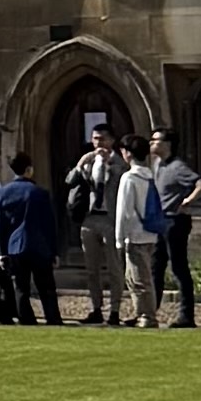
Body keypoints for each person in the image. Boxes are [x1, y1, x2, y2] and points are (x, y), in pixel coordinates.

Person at [64, 122, 126, 327]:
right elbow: (69, 180)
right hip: (90, 219)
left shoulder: (119, 163)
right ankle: (96, 308)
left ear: (111, 140)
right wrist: (81, 162)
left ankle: (115, 310)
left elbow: (122, 182)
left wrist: (110, 164)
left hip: (110, 219)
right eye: (94, 139)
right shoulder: (88, 162)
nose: (97, 143)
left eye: (101, 139)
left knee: (114, 268)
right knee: (92, 269)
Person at [0, 150, 63, 325]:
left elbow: (1, 225)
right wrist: (54, 251)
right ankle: (53, 318)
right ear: (29, 169)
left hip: (14, 246)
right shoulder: (39, 192)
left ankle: (26, 319)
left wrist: (2, 251)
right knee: (46, 287)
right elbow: (49, 224)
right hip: (39, 245)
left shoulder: (3, 193)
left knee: (21, 287)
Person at [154, 130, 201, 329]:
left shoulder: (178, 167)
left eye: (156, 140)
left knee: (178, 268)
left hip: (175, 221)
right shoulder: (158, 165)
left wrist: (188, 200)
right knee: (155, 268)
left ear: (167, 144)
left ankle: (186, 315)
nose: (152, 143)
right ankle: (150, 313)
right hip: (160, 222)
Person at [115, 146, 169, 329]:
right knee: (138, 277)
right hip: (150, 232)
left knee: (139, 279)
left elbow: (124, 211)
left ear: (128, 153)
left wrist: (119, 238)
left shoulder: (129, 177)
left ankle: (147, 316)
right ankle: (141, 312)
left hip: (136, 234)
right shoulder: (150, 176)